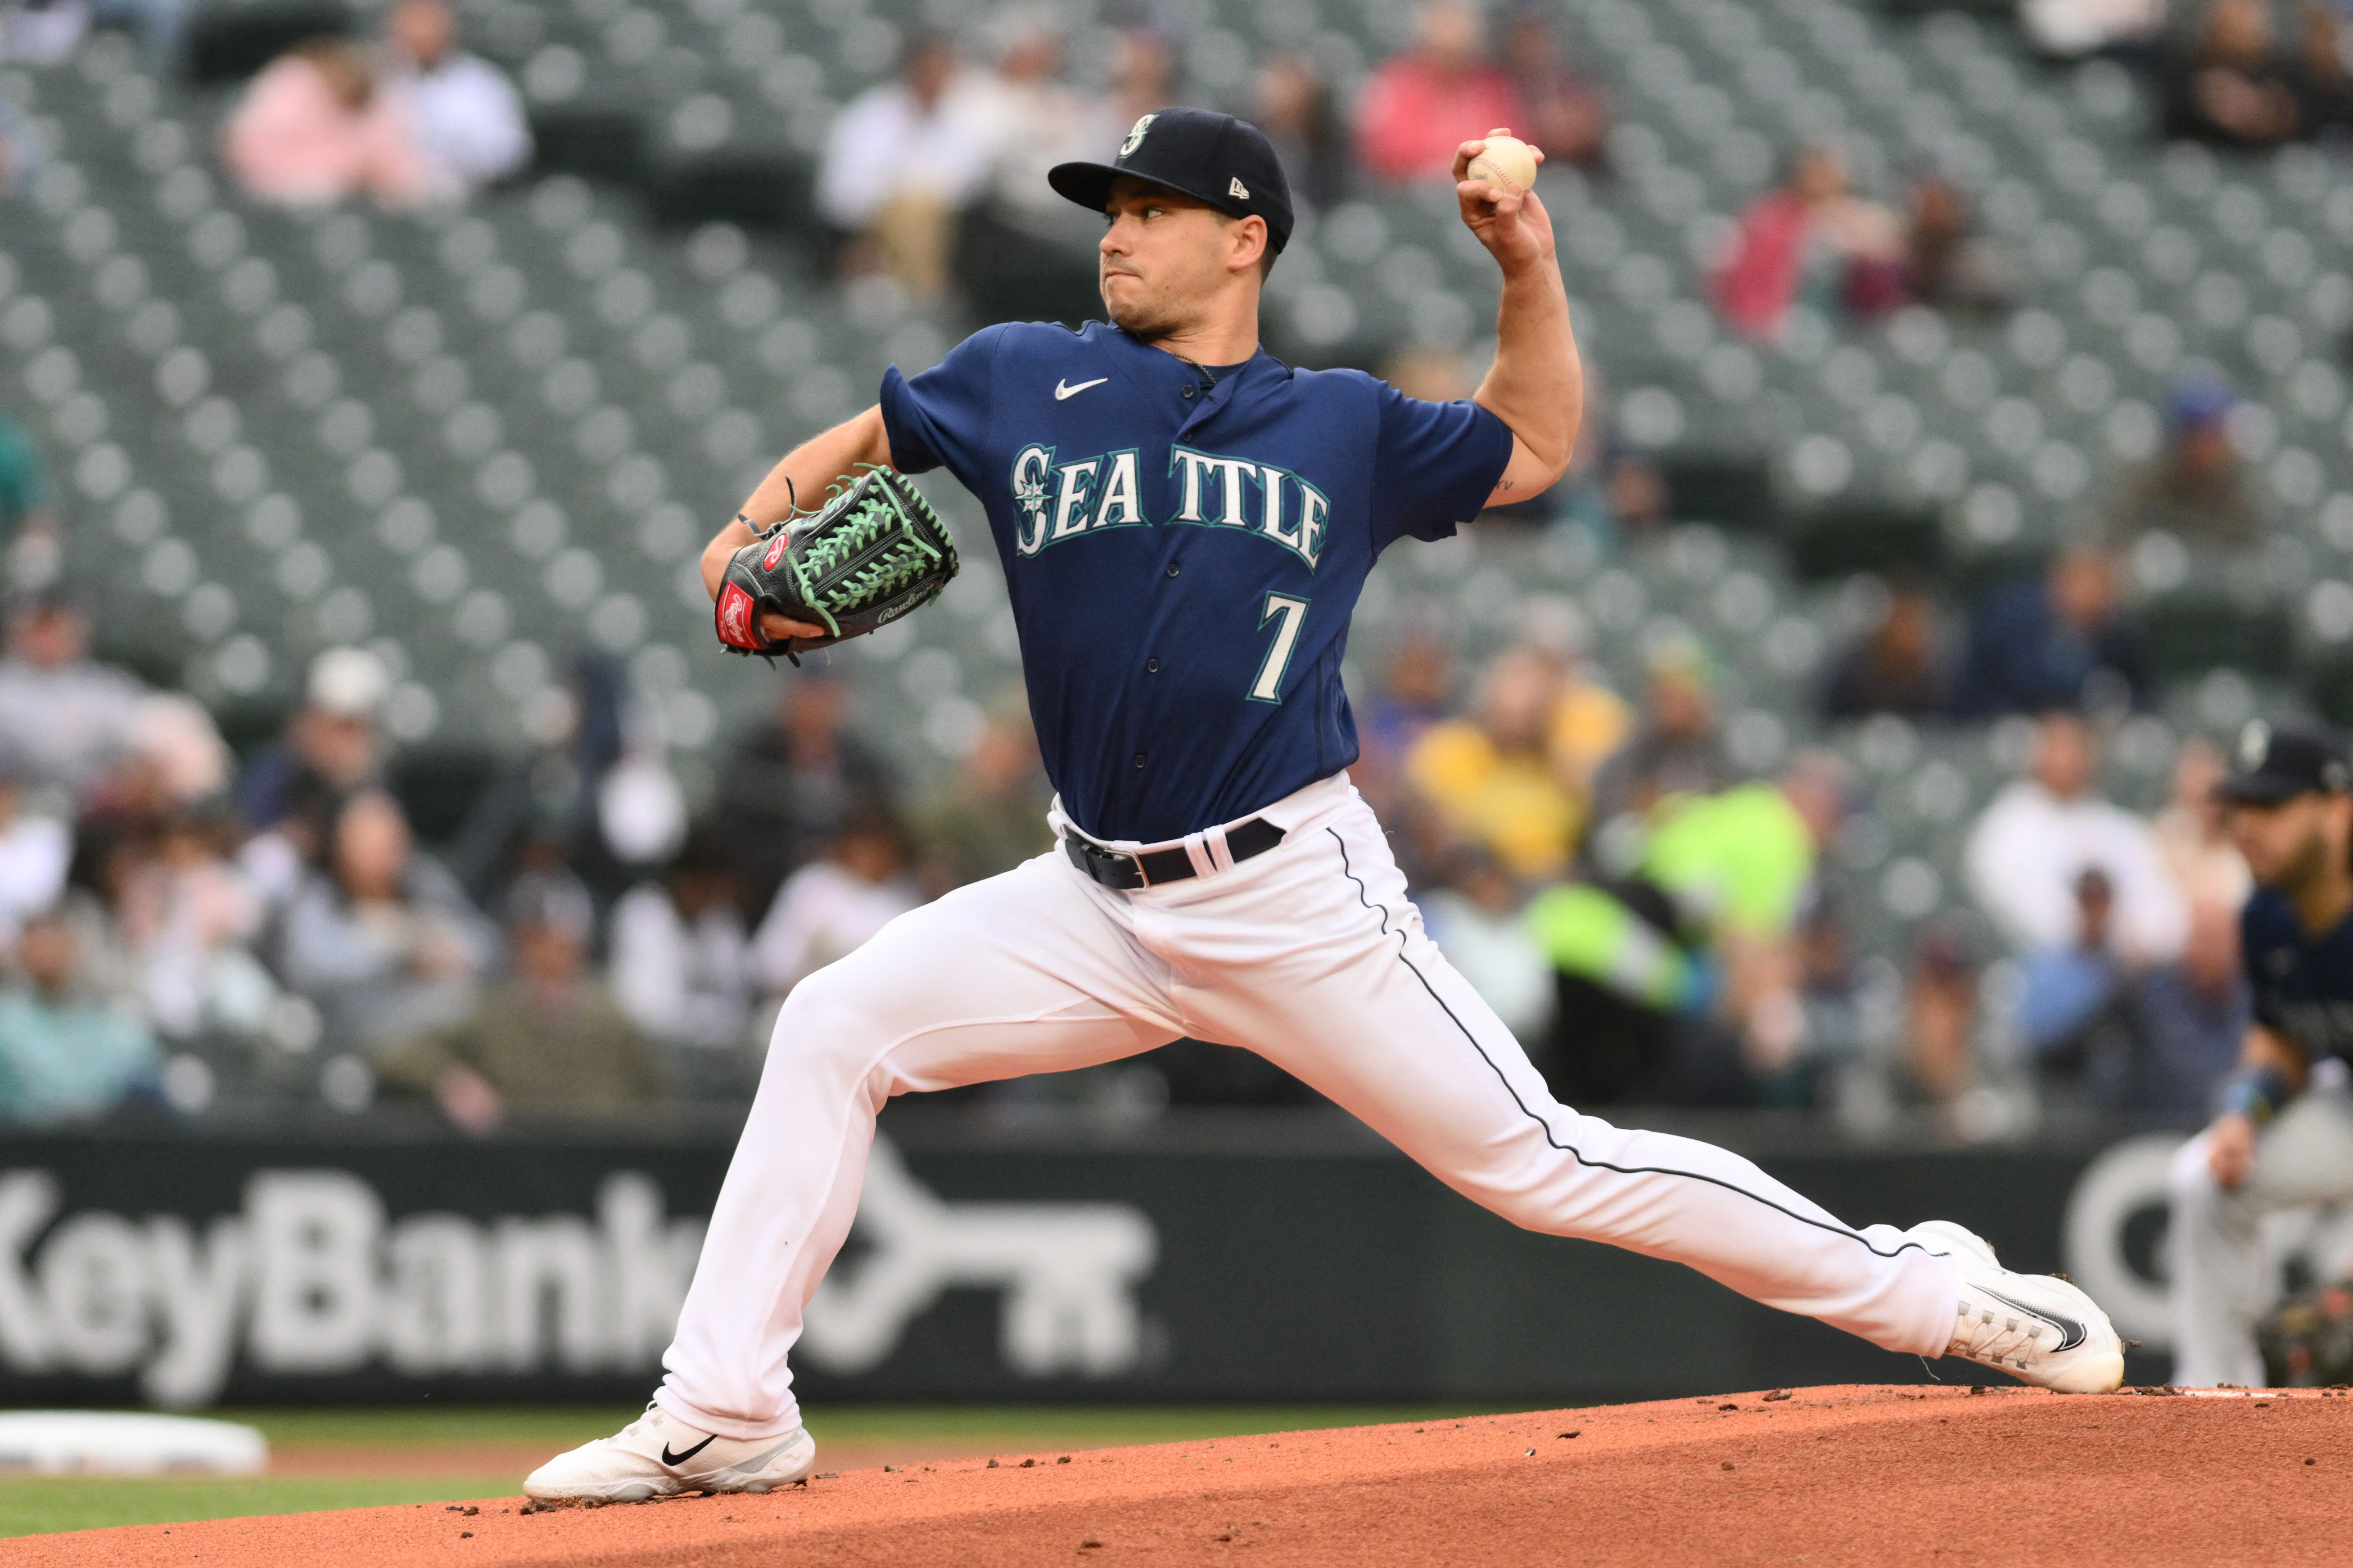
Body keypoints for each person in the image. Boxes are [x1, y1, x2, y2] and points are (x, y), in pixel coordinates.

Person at [526, 108, 2122, 1505]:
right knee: (830, 1024)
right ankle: (725, 1409)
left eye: (1150, 209)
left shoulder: (1340, 425)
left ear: (1245, 239)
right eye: (1108, 210)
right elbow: (882, 429)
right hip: (1088, 898)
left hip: (1289, 893)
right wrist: (747, 530)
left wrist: (1521, 259)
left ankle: (1926, 1294)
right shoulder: (1023, 376)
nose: (1117, 234)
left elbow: (1538, 442)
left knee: (1542, 1164)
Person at [2171, 716, 2353, 1386]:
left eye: (2270, 805)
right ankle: (2215, 1401)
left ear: (2337, 812)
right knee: (2204, 1181)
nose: (2246, 824)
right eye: (2239, 805)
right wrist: (2244, 1113)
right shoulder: (2265, 914)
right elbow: (2283, 1039)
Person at [379, 872, 662, 1133]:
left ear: (580, 945)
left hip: (599, 1159)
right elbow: (394, 1050)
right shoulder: (492, 1014)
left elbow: (657, 1104)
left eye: (557, 941)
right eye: (533, 941)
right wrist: (451, 1080)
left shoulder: (613, 1019)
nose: (546, 954)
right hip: (516, 1165)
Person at [275, 789, 494, 1052]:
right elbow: (307, 968)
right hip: (359, 1043)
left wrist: (443, 946)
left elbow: (489, 945)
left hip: (452, 1035)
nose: (383, 853)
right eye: (369, 842)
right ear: (341, 848)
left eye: (391, 840)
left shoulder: (424, 882)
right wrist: (395, 947)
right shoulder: (318, 895)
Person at [1965, 711, 2188, 966]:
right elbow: (2019, 911)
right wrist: (2086, 933)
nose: (2068, 759)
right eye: (2058, 746)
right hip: (2045, 968)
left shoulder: (2120, 827)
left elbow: (2160, 906)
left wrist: (2135, 939)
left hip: (2129, 968)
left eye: (2077, 747)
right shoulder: (2007, 826)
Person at [814, 32, 993, 302]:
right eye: (931, 70)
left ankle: (931, 292)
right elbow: (843, 195)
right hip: (868, 232)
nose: (938, 79)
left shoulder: (959, 122)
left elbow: (970, 184)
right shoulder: (870, 118)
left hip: (946, 233)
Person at [1711, 144, 1906, 341]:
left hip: (1839, 323)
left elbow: (1884, 249)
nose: (1827, 182)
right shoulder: (1775, 213)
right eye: (1820, 174)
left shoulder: (1846, 215)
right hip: (1767, 325)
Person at [221, 37, 433, 208]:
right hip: (280, 205)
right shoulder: (293, 84)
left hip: (362, 209)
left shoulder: (374, 98)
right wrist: (339, 169)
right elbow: (248, 152)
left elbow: (402, 172)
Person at [0, 910, 157, 1126]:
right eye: (38, 946)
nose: (47, 956)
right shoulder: (8, 1021)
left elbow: (133, 1067)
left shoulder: (100, 1016)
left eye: (55, 946)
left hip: (98, 1137)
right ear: (22, 952)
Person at [1956, 546, 2153, 717]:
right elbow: (1976, 691)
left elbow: (2141, 696)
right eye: (2086, 581)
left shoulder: (2118, 639)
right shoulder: (2009, 621)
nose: (2095, 595)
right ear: (2059, 580)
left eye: (2105, 584)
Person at [750, 805, 921, 1000]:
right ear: (846, 845)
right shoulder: (811, 885)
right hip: (798, 1003)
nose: (872, 858)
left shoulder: (905, 901)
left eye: (882, 849)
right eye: (864, 847)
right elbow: (768, 961)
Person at [609, 825, 754, 1054]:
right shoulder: (643, 912)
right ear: (683, 880)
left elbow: (737, 1001)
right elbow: (643, 1008)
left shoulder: (721, 921)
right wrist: (705, 1016)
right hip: (649, 1048)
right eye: (703, 888)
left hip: (714, 1053)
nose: (709, 900)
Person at [1355, 1, 1527, 185]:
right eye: (1444, 22)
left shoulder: (1491, 85)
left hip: (1486, 191)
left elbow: (1515, 144)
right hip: (1411, 199)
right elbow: (1387, 154)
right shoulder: (1397, 82)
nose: (1452, 33)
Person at [0, 593, 148, 802]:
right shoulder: (6, 688)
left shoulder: (106, 688)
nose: (50, 641)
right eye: (41, 631)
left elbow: (151, 728)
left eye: (58, 631)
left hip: (96, 811)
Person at [378, 0, 530, 199]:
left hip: (470, 197)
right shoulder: (379, 81)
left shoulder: (483, 84)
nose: (420, 34)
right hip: (392, 202)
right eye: (412, 25)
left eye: (429, 24)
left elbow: (511, 153)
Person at [1586, 635, 1737, 829]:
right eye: (1666, 696)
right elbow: (1609, 825)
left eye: (1684, 697)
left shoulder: (1719, 766)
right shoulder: (1628, 763)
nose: (1673, 707)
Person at [2103, 380, 2263, 549]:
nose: (2203, 445)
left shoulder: (2240, 493)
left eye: (2210, 434)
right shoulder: (2148, 487)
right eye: (2195, 433)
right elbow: (2114, 542)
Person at [2162, 0, 2302, 148]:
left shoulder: (2281, 77)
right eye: (2233, 10)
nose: (2241, 21)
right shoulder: (2183, 71)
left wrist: (2264, 114)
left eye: (2247, 10)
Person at [1820, 580, 1953, 720]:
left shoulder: (1937, 685)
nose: (1903, 633)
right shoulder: (1851, 679)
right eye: (1899, 620)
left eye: (1911, 625)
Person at [2153, 735, 2253, 912]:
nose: (2202, 791)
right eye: (2194, 779)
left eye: (2209, 781)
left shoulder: (2245, 845)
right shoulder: (2156, 843)